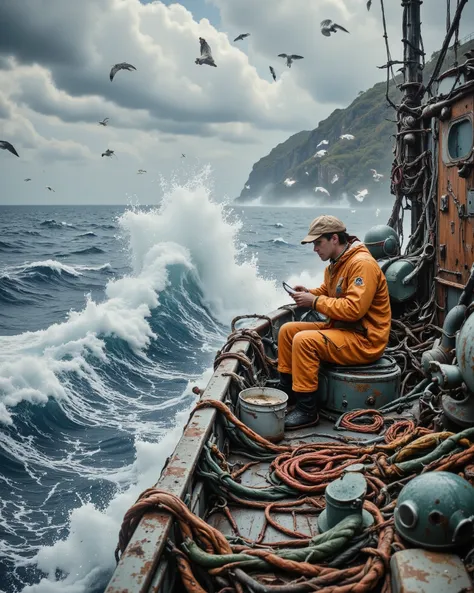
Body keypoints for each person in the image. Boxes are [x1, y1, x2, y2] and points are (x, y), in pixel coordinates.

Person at [278, 215, 391, 428]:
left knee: (304, 341)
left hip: (364, 339)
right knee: (287, 331)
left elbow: (354, 309)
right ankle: (289, 393)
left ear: (335, 239)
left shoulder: (361, 264)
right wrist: (309, 293)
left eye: (318, 243)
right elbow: (332, 291)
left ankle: (307, 411)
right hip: (342, 329)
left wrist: (314, 302)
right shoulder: (335, 264)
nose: (315, 249)